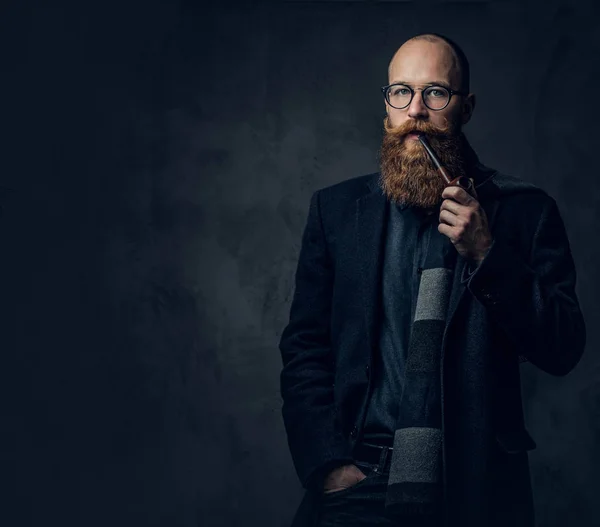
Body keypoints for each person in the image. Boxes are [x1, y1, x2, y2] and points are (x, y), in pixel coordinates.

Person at [278, 33, 586, 527]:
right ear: (387, 107)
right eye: (401, 92)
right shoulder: (336, 212)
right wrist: (329, 465)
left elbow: (563, 346)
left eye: (435, 93)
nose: (416, 109)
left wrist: (486, 253)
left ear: (466, 108)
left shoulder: (526, 211)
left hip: (476, 485)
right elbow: (305, 349)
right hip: (358, 481)